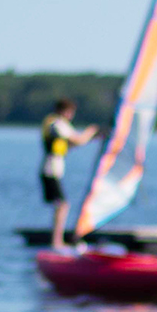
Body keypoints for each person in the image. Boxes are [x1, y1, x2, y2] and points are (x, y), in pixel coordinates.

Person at [40, 98, 99, 250]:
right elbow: (78, 140)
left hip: (53, 170)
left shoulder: (55, 125)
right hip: (50, 170)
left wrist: (92, 138)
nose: (71, 115)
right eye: (71, 112)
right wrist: (91, 131)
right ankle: (56, 241)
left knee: (60, 205)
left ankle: (56, 239)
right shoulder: (58, 124)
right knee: (62, 205)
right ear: (65, 111)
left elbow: (70, 145)